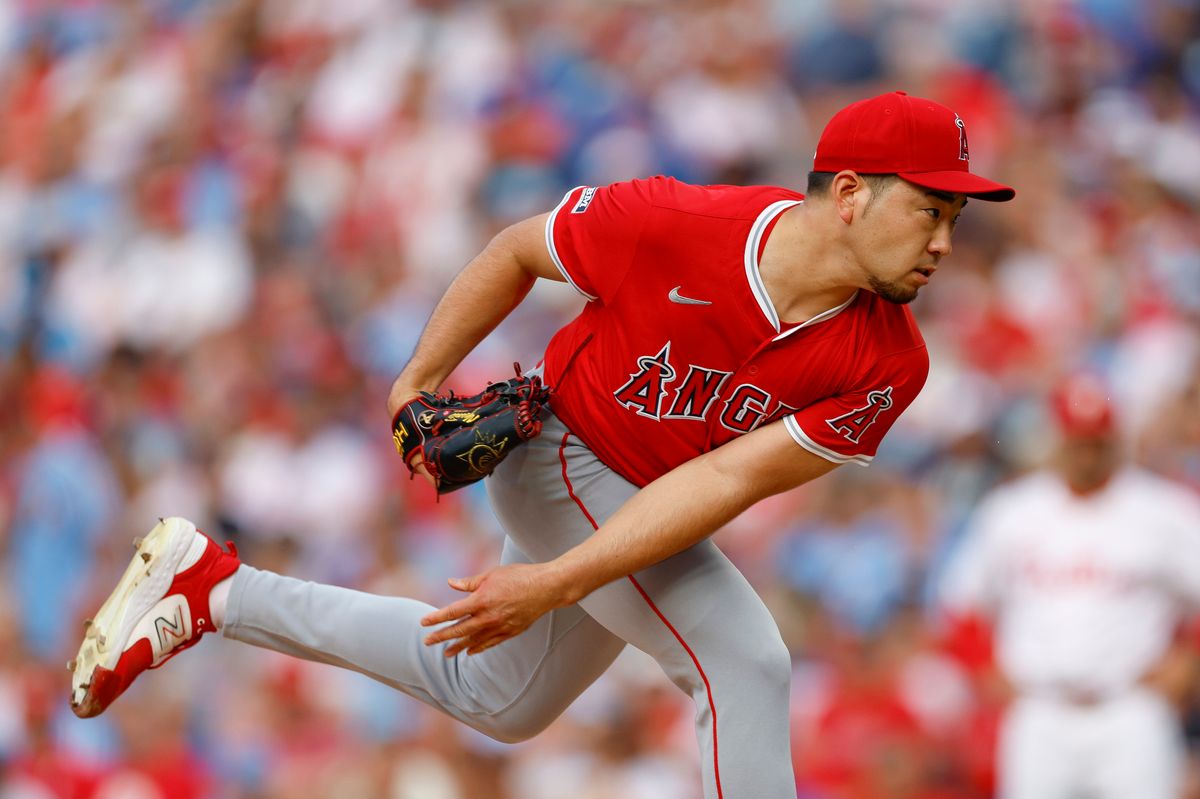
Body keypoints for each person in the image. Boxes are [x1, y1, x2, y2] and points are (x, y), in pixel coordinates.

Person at [70, 91, 1014, 797]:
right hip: (560, 452)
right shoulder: (682, 225)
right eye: (929, 210)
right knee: (747, 663)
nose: (942, 241)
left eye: (953, 220)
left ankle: (216, 589)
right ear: (848, 193)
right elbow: (520, 249)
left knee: (498, 699)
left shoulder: (891, 362)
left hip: (646, 501)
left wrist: (559, 581)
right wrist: (414, 382)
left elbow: (730, 477)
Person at [938, 373, 1200, 799]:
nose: (1087, 454)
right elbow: (958, 604)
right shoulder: (1012, 511)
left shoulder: (1162, 510)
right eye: (1078, 441)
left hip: (1130, 706)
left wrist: (1189, 659)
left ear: (1114, 439)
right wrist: (984, 666)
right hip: (1040, 709)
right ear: (1058, 440)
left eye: (1097, 441)